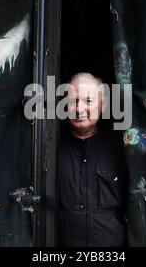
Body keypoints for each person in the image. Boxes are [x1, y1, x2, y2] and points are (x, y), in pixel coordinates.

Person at [56, 72, 128, 247]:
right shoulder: (51, 148)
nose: (80, 109)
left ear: (102, 105)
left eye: (88, 101)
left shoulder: (121, 147)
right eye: (73, 101)